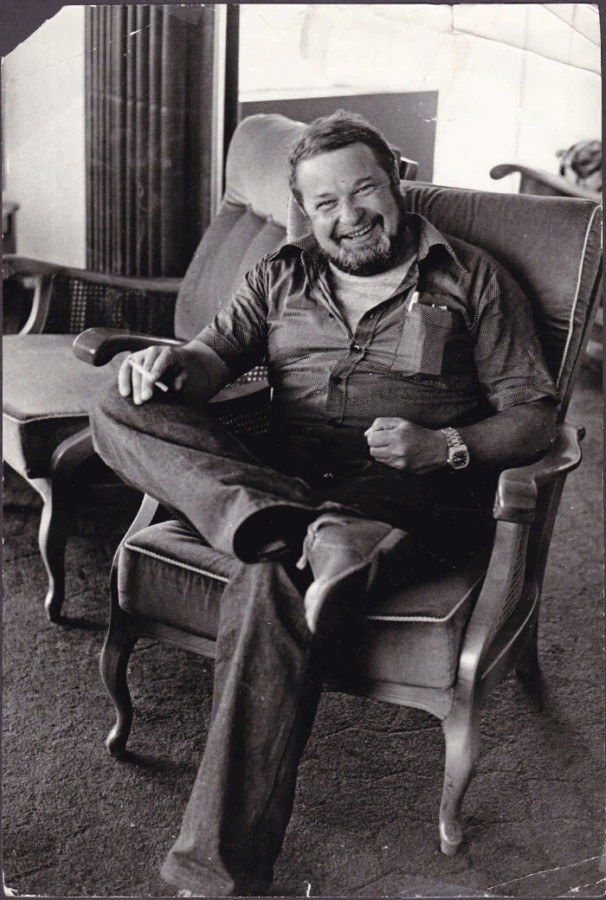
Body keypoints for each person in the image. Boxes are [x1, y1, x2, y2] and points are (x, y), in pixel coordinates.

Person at [91, 110, 559, 896]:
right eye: (326, 203)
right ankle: (290, 526)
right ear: (304, 211)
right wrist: (168, 368)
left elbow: (536, 415)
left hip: (409, 491)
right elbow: (212, 356)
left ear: (396, 184)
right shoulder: (281, 274)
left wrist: (447, 445)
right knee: (115, 402)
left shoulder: (473, 280)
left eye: (364, 190)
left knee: (268, 576)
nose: (350, 216)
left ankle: (215, 877)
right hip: (289, 476)